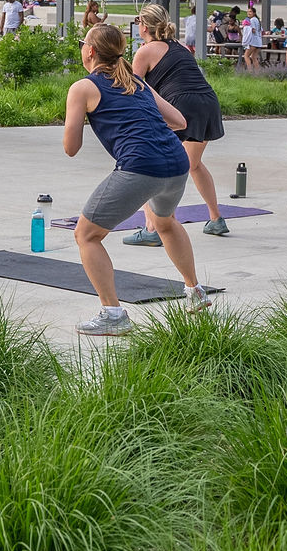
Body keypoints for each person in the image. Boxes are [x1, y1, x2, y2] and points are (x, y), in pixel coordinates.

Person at [61, 23, 214, 336]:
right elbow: (179, 121)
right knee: (166, 222)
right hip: (176, 162)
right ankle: (195, 291)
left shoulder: (83, 88)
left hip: (140, 166)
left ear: (90, 51)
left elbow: (71, 149)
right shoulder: (137, 83)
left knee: (86, 235)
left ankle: (113, 314)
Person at [130, 4, 229, 238]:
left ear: (143, 26)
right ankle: (216, 219)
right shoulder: (182, 47)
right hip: (207, 103)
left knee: (150, 161)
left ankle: (153, 228)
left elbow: (135, 90)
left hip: (180, 105)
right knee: (193, 164)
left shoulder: (144, 52)